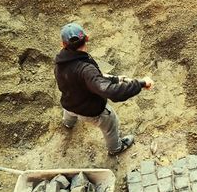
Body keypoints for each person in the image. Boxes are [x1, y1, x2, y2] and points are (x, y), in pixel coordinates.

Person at [54, 22, 154, 155]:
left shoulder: (60, 62)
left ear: (63, 44)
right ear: (87, 38)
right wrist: (140, 83)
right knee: (110, 121)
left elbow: (93, 79)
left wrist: (116, 78)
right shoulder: (86, 69)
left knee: (69, 112)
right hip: (91, 111)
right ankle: (115, 149)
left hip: (68, 103)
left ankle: (68, 124)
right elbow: (110, 91)